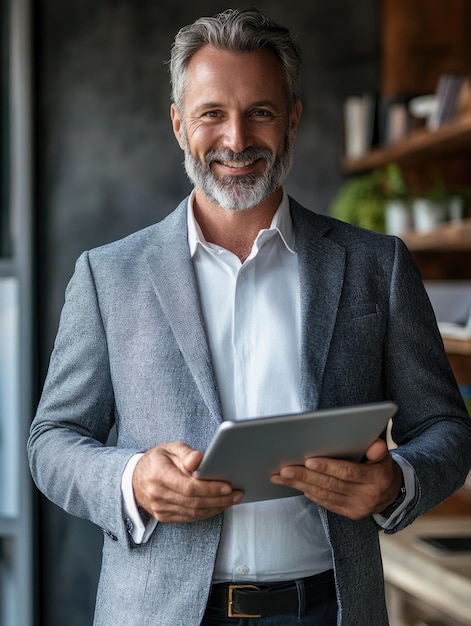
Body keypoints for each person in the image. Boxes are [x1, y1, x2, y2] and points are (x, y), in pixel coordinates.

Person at [28, 7, 471, 626]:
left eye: (260, 111)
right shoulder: (109, 276)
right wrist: (131, 480)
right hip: (161, 612)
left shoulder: (378, 265)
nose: (236, 139)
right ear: (180, 124)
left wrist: (398, 481)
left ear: (291, 121)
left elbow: (449, 429)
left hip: (331, 609)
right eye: (212, 113)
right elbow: (50, 443)